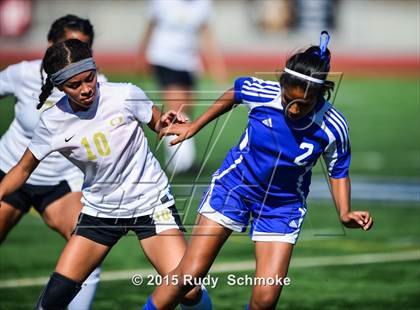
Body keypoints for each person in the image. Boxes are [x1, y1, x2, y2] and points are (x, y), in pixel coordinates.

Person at [143, 31, 374, 310]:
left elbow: (338, 169)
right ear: (282, 84)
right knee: (188, 276)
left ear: (321, 95)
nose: (293, 108)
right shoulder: (263, 93)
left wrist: (344, 212)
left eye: (304, 103)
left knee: (265, 299)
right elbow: (235, 92)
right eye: (289, 98)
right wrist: (195, 125)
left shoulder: (333, 126)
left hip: (282, 206)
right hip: (235, 188)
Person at [0, 39, 212, 310]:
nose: (86, 89)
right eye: (74, 86)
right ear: (58, 86)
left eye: (89, 79)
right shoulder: (52, 122)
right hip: (100, 211)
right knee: (54, 299)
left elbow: (157, 122)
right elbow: (23, 168)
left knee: (189, 290)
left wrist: (166, 123)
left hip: (150, 203)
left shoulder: (124, 94)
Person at [0, 15, 106, 309]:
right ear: (49, 45)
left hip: (61, 183)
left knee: (88, 248)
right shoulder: (23, 73)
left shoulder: (99, 88)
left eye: (81, 48)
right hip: (10, 171)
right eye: (65, 46)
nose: (71, 56)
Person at [139, 0, 227, 175]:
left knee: (186, 109)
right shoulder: (162, 3)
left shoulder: (203, 4)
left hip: (188, 62)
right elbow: (150, 26)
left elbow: (206, 35)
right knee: (176, 108)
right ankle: (180, 162)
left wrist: (217, 67)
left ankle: (182, 156)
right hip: (164, 58)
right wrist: (141, 53)